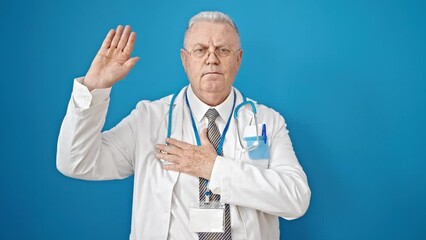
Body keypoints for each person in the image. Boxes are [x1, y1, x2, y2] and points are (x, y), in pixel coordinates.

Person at [57, 11, 311, 240]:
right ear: (185, 60)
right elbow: (76, 162)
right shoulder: (149, 118)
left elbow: (296, 199)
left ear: (238, 59)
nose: (212, 59)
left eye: (223, 50)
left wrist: (214, 169)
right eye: (200, 50)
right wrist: (93, 88)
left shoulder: (266, 121)